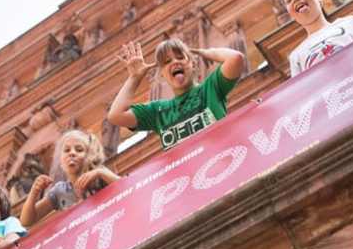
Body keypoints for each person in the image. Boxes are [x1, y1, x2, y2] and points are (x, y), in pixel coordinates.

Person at [107, 39, 245, 151]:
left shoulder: (210, 88)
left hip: (222, 164)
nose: (175, 62)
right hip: (187, 180)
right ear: (161, 74)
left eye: (180, 57)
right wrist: (134, 78)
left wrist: (207, 52)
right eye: (167, 62)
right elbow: (116, 115)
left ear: (193, 64)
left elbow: (236, 58)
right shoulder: (158, 111)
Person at [20, 130, 120, 227]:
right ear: (61, 162)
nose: (72, 153)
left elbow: (127, 185)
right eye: (67, 150)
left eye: (79, 150)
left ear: (89, 156)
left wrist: (100, 173)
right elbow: (26, 220)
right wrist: (34, 192)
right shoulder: (60, 191)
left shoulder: (99, 175)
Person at [280, 0, 353, 77]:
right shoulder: (296, 56)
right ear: (290, 14)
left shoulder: (351, 23)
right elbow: (303, 90)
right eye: (289, 0)